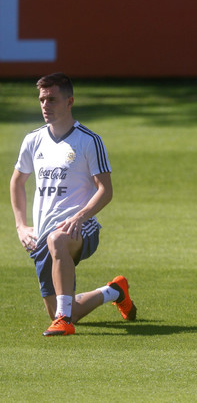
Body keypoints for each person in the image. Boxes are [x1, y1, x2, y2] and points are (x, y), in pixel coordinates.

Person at [10, 72, 137, 336]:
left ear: (69, 101)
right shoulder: (33, 140)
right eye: (42, 100)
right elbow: (17, 182)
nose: (45, 105)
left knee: (58, 240)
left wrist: (80, 216)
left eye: (52, 99)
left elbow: (105, 190)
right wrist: (21, 226)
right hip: (43, 237)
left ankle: (63, 322)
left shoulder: (88, 140)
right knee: (62, 308)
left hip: (83, 228)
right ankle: (114, 291)